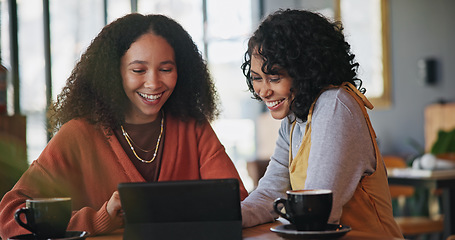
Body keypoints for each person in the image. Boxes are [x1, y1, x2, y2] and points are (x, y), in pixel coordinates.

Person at [0, 13, 248, 239]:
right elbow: (8, 218)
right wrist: (98, 219)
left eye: (166, 69)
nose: (153, 83)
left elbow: (236, 204)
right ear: (113, 73)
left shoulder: (193, 128)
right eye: (138, 70)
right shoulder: (78, 134)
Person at [240, 9, 403, 238]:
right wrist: (227, 218)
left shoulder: (334, 105)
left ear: (305, 71)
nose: (264, 91)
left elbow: (318, 212)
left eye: (275, 78)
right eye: (257, 78)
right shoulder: (294, 119)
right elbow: (269, 193)